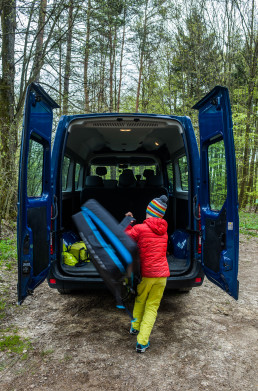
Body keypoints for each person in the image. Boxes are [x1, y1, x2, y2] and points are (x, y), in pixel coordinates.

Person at [125, 195, 169, 353]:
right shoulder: (164, 231)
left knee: (140, 299)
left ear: (148, 213)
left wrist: (128, 222)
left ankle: (137, 332)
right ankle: (141, 340)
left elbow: (126, 238)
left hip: (147, 274)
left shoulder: (140, 228)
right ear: (161, 216)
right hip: (162, 275)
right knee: (152, 307)